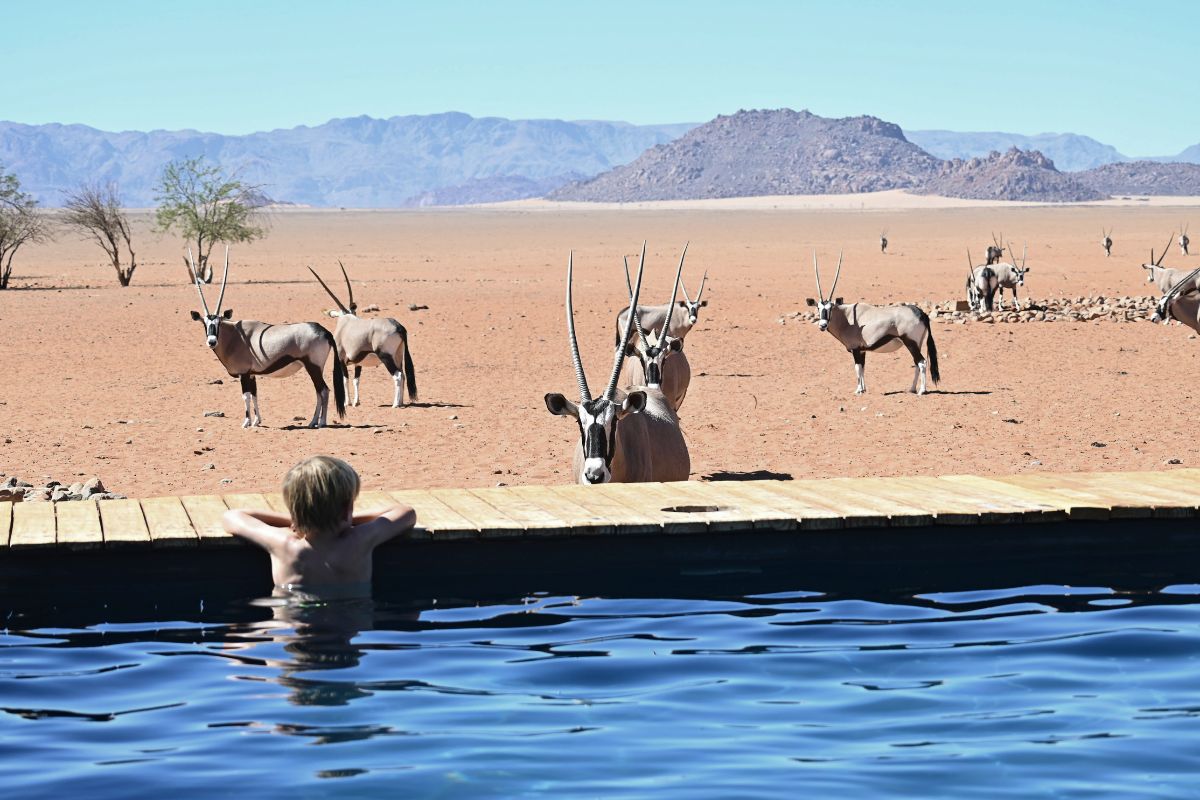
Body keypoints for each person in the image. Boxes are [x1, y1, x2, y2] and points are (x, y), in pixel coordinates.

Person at [222, 455, 416, 592]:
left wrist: (300, 519)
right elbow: (406, 513)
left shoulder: (285, 544)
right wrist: (345, 519)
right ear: (347, 508)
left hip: (293, 624)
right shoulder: (360, 539)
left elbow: (232, 517)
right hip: (349, 623)